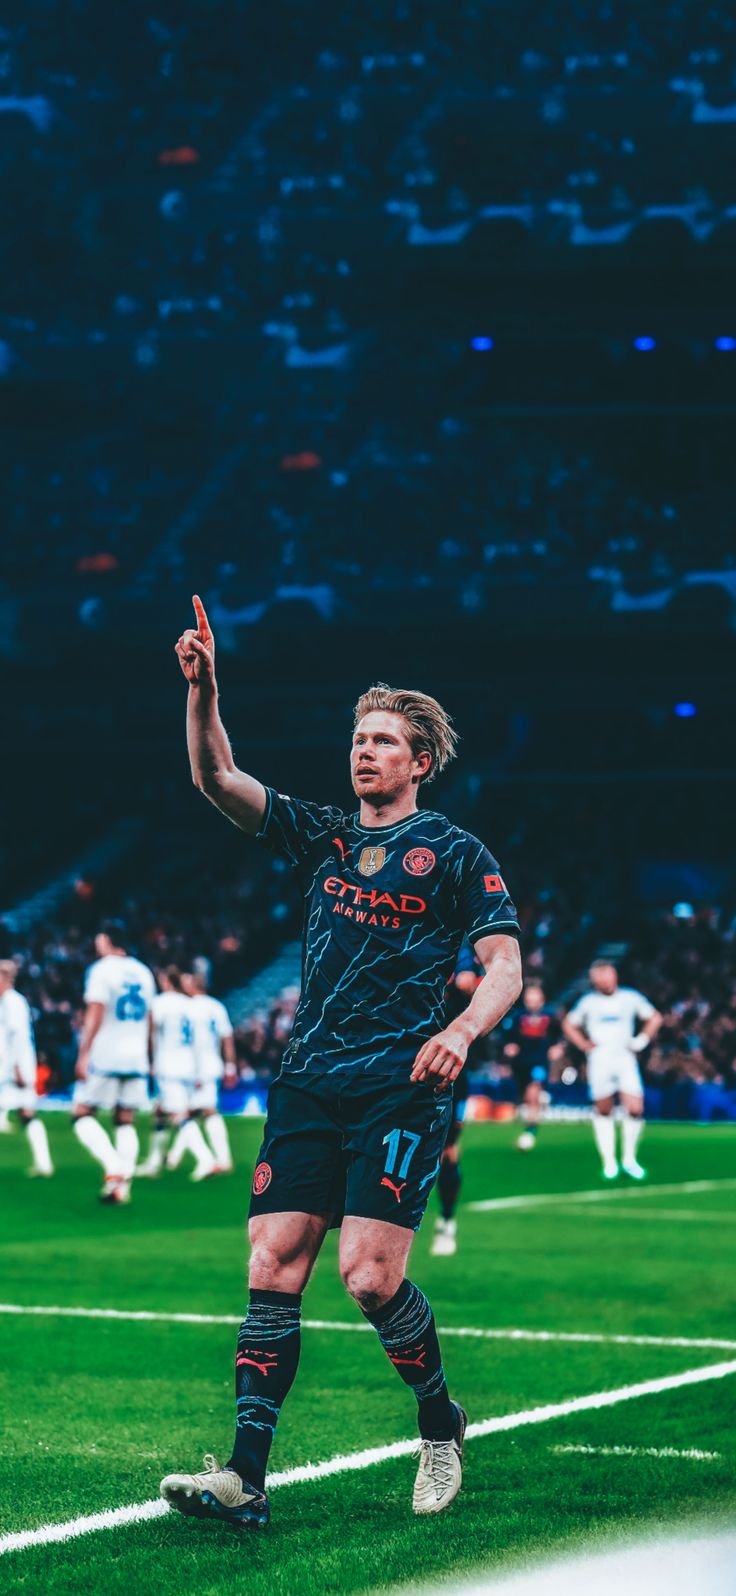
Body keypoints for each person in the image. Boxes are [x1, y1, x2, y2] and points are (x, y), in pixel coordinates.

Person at [160, 596, 522, 1530]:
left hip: (402, 1085)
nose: (363, 751)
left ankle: (439, 1421)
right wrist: (204, 688)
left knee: (367, 1277)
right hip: (309, 1080)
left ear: (419, 762)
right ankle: (245, 1476)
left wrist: (462, 1030)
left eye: (383, 741)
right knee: (274, 1262)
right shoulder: (323, 834)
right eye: (357, 738)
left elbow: (506, 965)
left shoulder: (453, 853)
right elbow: (217, 776)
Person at [71, 920, 156, 1204]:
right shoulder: (143, 972)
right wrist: (149, 1054)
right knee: (124, 1119)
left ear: (106, 940)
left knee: (81, 1114)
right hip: (136, 1055)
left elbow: (95, 1012)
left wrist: (83, 1053)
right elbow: (150, 1018)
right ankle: (121, 1188)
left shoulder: (101, 970)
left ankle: (114, 1167)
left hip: (107, 1052)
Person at [562, 960, 662, 1181]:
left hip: (625, 1058)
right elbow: (569, 1023)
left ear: (614, 976)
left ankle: (629, 1159)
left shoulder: (629, 998)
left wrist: (641, 1040)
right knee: (604, 1109)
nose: (604, 981)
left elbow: (654, 1017)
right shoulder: (588, 1002)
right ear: (594, 980)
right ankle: (609, 1162)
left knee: (635, 1108)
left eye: (607, 975)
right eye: (599, 977)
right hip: (599, 1059)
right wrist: (583, 1044)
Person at [140, 966, 215, 1182]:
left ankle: (205, 1158)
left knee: (179, 1114)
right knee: (161, 1111)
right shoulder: (189, 1004)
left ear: (166, 982)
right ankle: (154, 1162)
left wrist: (149, 1060)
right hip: (189, 1065)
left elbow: (151, 1034)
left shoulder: (161, 1003)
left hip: (169, 1064)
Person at [430, 941, 481, 1258]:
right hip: (403, 1058)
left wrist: (464, 976)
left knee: (448, 1150)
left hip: (450, 1066)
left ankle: (447, 1221)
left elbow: (467, 984)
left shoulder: (460, 946)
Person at [0, 959, 54, 1176]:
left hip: (16, 1069)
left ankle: (44, 1163)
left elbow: (19, 1038)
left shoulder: (14, 1003)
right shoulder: (6, 1002)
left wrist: (18, 1069)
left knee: (27, 1113)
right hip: (9, 1068)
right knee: (26, 1114)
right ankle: (43, 1163)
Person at [184, 966, 237, 1173]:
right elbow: (227, 1038)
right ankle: (218, 1158)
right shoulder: (217, 1007)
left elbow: (190, 1041)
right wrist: (230, 1065)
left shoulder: (189, 1008)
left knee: (196, 1112)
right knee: (198, 1111)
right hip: (214, 1063)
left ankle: (217, 1160)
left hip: (196, 1066)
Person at [502, 982, 562, 1151]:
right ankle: (536, 1105)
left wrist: (558, 1047)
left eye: (536, 998)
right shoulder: (517, 1017)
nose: (533, 1002)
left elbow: (559, 1036)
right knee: (524, 1095)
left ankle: (531, 1129)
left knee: (533, 1090)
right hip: (521, 1062)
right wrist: (509, 1047)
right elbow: (507, 1037)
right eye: (530, 999)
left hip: (540, 1061)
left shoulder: (550, 1016)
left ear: (542, 1000)